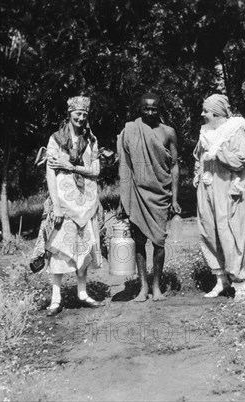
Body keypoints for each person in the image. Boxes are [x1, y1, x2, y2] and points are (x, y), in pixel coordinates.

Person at [117, 92, 181, 302]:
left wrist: (175, 199)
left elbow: (174, 166)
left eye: (154, 109)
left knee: (159, 242)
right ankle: (143, 287)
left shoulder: (168, 132)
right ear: (140, 108)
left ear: (160, 109)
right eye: (147, 108)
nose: (150, 112)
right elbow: (125, 167)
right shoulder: (131, 130)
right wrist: (123, 199)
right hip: (137, 192)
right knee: (139, 240)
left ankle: (157, 286)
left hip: (161, 194)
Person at [43, 95, 104, 316]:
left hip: (86, 203)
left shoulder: (91, 140)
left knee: (83, 247)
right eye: (77, 114)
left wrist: (71, 166)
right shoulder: (56, 139)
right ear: (69, 114)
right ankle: (55, 298)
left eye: (84, 115)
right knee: (60, 249)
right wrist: (56, 206)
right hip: (64, 202)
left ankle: (82, 292)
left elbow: (96, 170)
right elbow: (51, 173)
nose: (80, 118)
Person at [193, 94, 245, 301]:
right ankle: (221, 279)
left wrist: (217, 151)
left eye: (206, 111)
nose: (202, 114)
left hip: (228, 192)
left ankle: (240, 282)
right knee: (209, 231)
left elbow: (239, 161)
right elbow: (201, 159)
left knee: (230, 233)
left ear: (217, 113)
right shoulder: (206, 133)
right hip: (207, 188)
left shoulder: (235, 132)